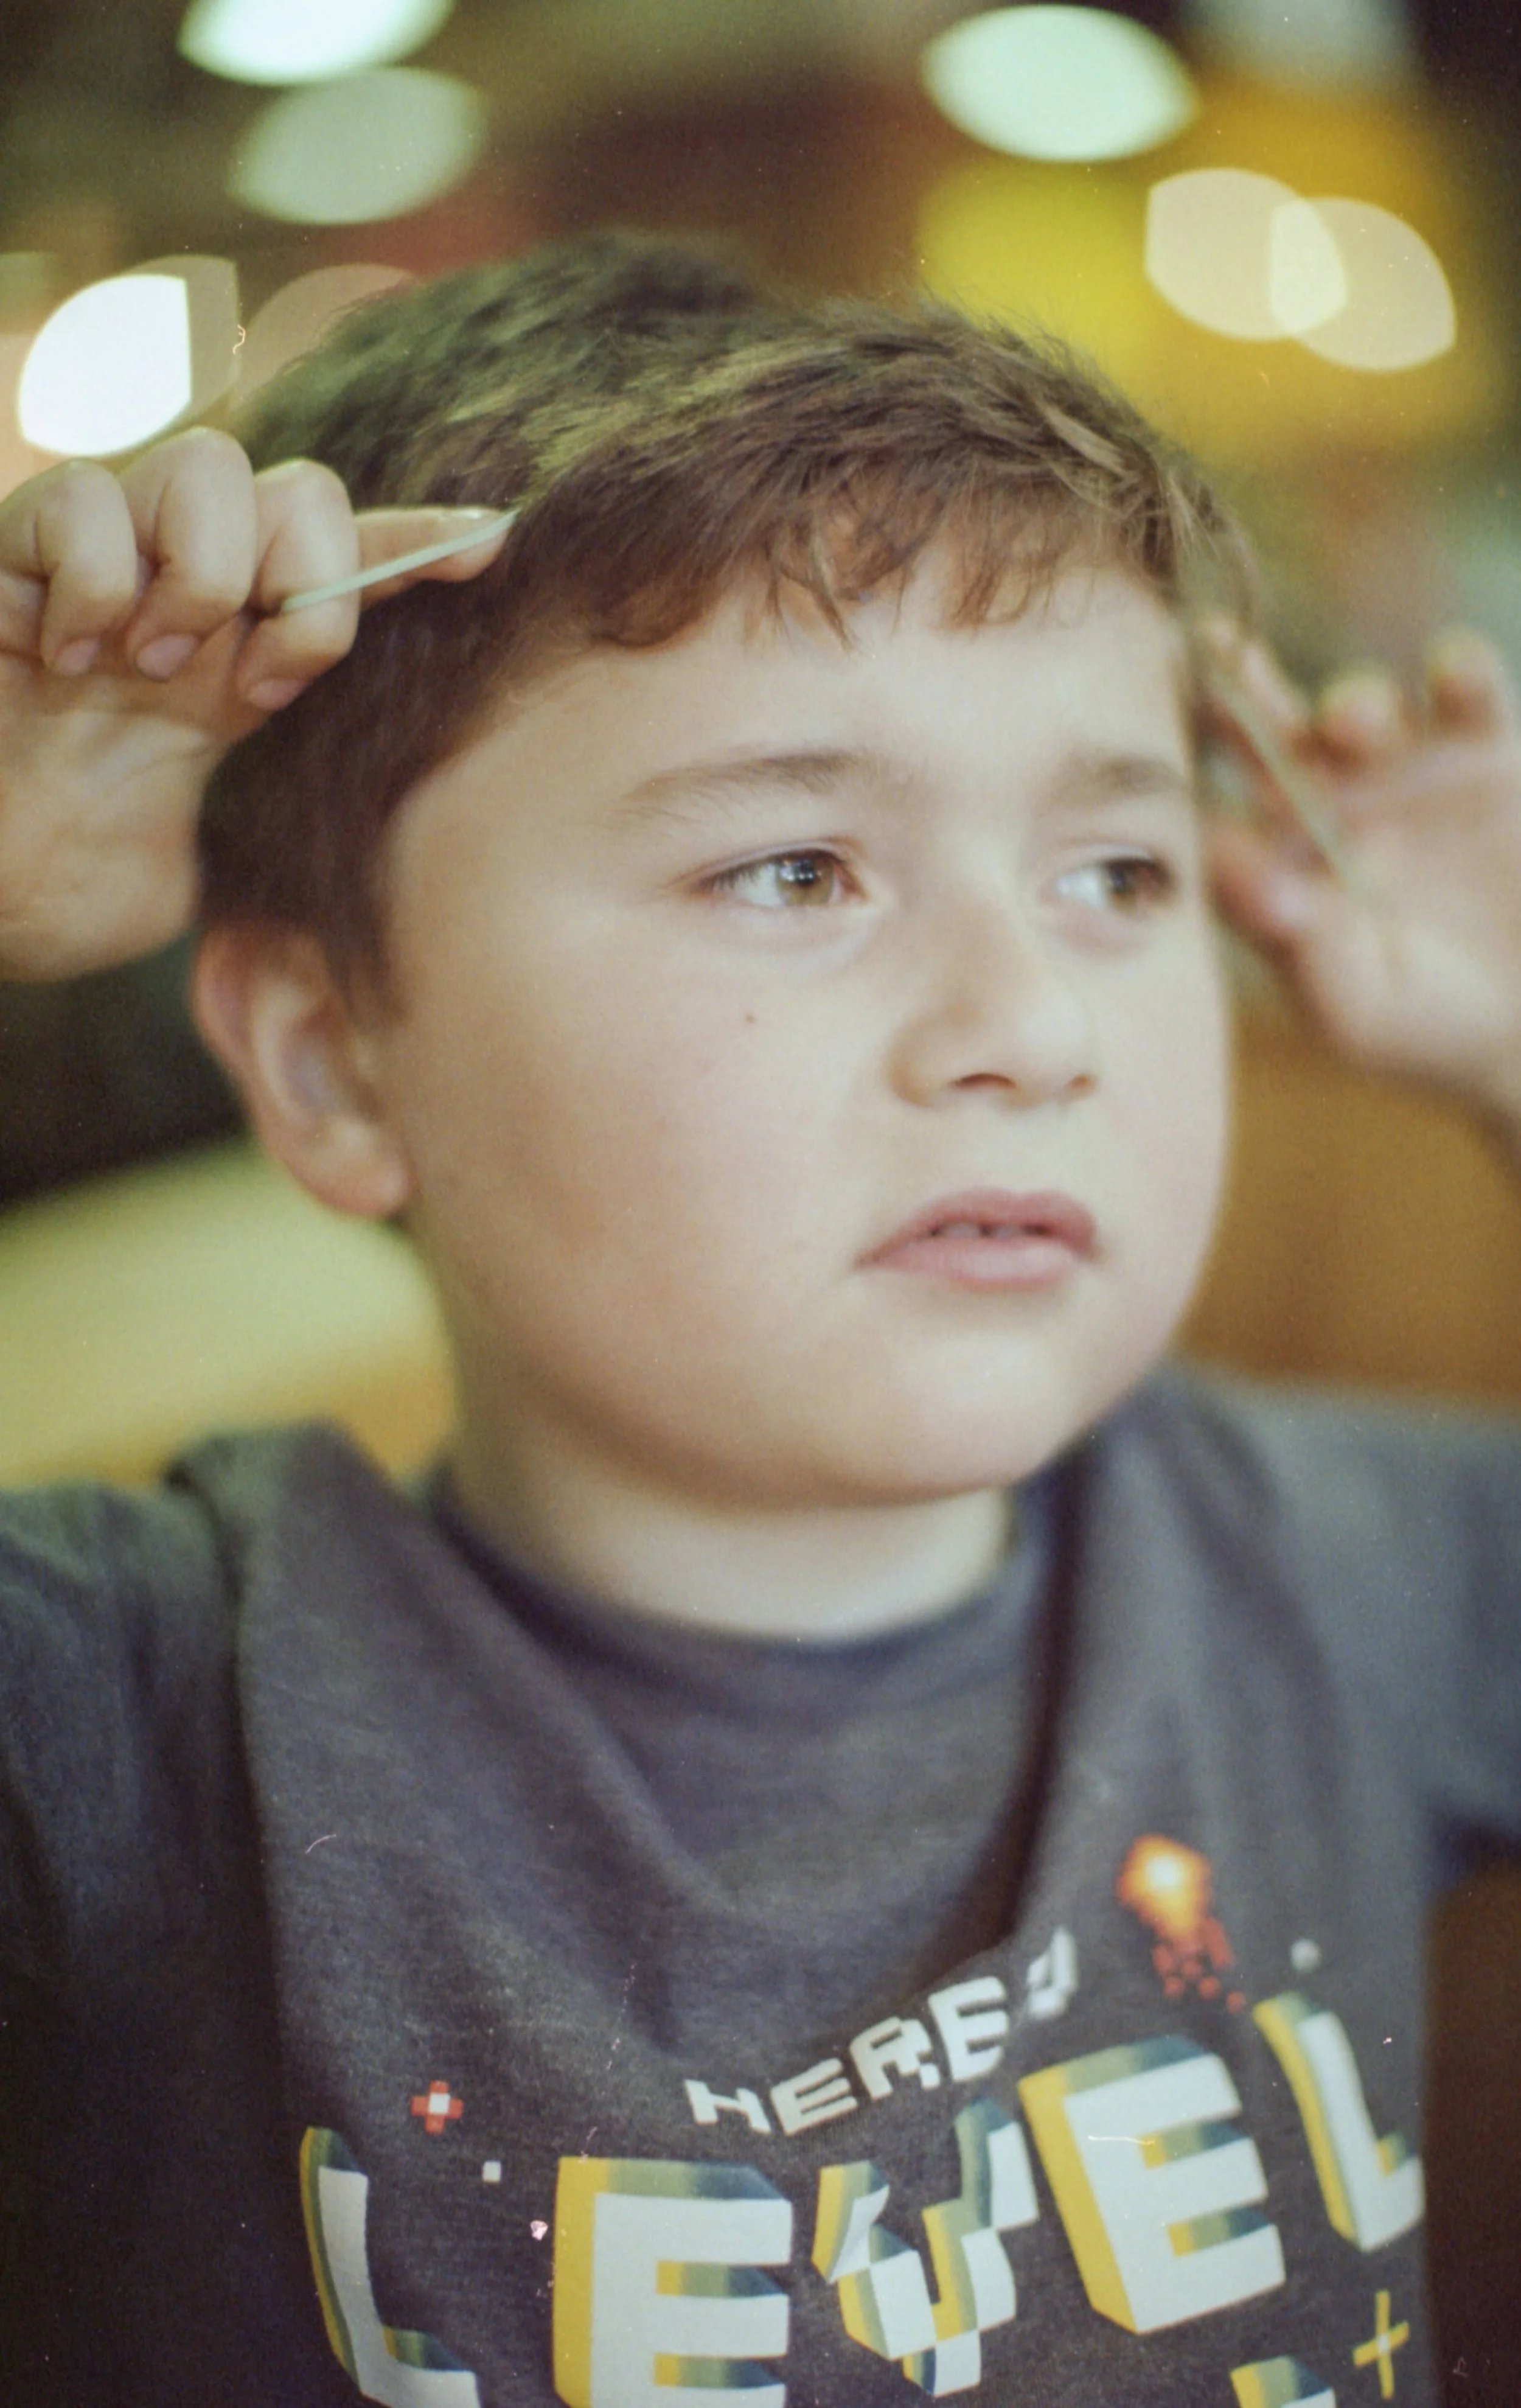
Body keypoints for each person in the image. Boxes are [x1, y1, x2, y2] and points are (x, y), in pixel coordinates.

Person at [1, 232, 1518, 2407]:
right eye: (798, 868)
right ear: (338, 1066)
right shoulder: (126, 1736)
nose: (1032, 1025)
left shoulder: (1336, 1571)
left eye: (1116, 873)